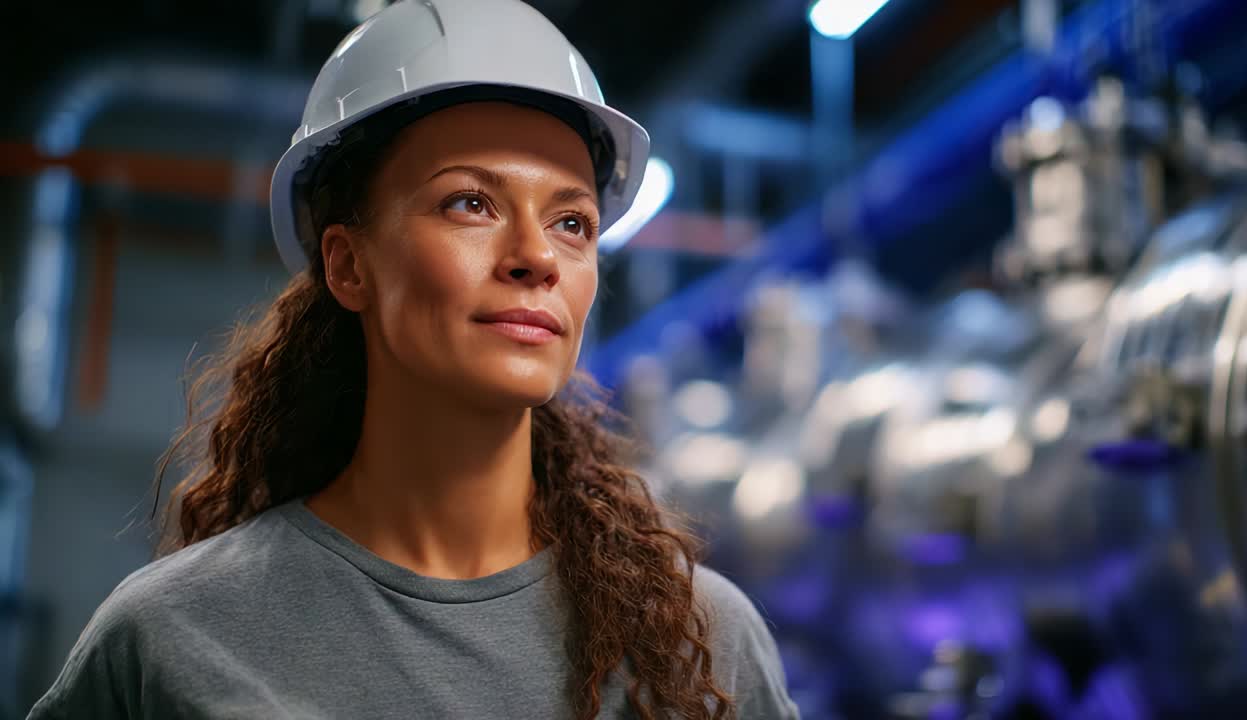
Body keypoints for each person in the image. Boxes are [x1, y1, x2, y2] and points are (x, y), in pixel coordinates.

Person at [28, 1, 800, 718]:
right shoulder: (171, 638)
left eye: (572, 222)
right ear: (348, 266)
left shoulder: (699, 642)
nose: (538, 257)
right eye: (471, 203)